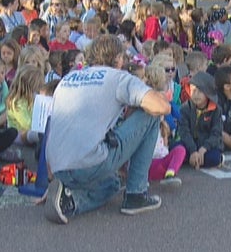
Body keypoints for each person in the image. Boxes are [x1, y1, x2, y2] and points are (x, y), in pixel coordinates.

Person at [42, 35, 171, 224]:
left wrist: (51, 173)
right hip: (89, 163)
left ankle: (69, 200)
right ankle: (136, 194)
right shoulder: (118, 77)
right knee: (150, 116)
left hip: (58, 165)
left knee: (112, 183)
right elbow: (163, 107)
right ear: (118, 58)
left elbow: (54, 126)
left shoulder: (68, 78)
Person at [178, 71, 224, 169]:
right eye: (193, 90)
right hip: (189, 145)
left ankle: (197, 160)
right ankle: (195, 159)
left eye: (200, 91)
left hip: (206, 146)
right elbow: (184, 132)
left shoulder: (216, 110)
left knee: (214, 158)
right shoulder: (185, 108)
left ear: (208, 93)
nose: (195, 94)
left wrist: (203, 149)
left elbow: (216, 133)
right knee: (176, 150)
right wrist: (193, 151)